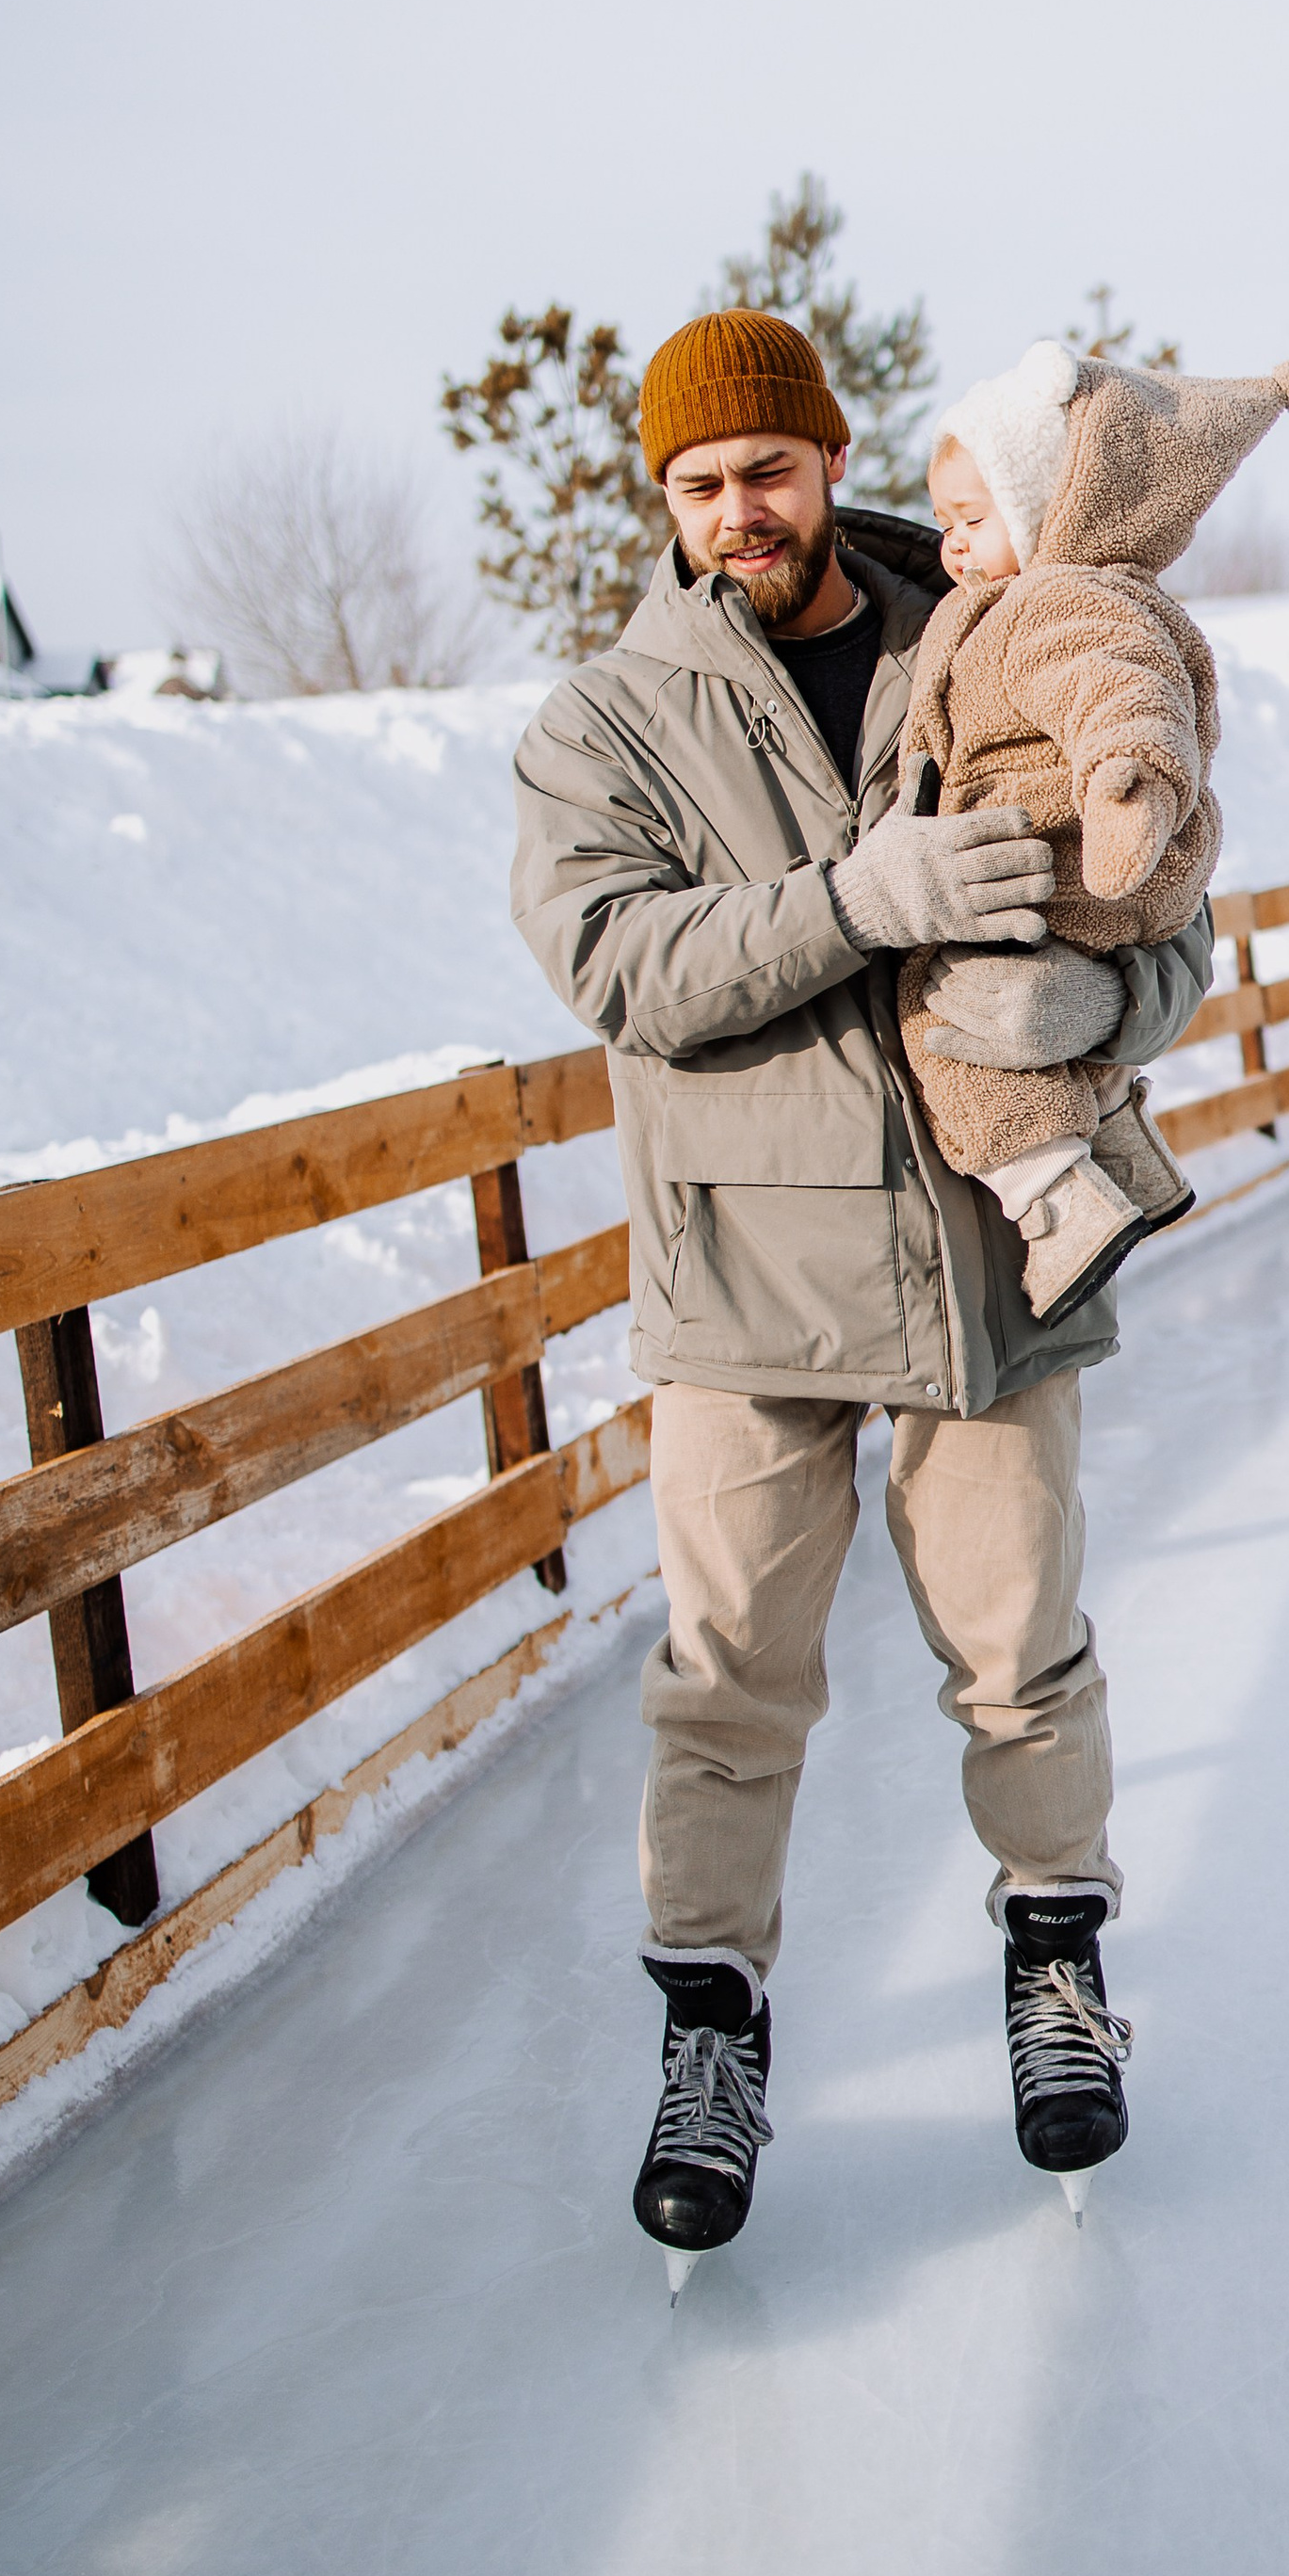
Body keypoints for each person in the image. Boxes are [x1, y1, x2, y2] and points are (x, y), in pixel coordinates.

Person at [508, 307, 1215, 2283]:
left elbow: (1172, 908)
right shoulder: (605, 724)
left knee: (1019, 1652)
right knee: (727, 1683)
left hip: (989, 1264)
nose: (739, 509)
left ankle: (1058, 1966)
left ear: (828, 462)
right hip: (746, 1275)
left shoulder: (1000, 616)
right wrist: (859, 903)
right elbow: (624, 967)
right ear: (665, 503)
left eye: (768, 468)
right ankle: (707, 2040)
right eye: (698, 483)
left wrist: (1109, 997)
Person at [905, 339, 1289, 1325]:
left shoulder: (1053, 604)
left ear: (1049, 511)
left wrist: (1128, 783)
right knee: (1049, 1040)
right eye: (943, 523)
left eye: (972, 519)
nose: (951, 547)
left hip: (1062, 866)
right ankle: (1127, 1155)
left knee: (940, 1022)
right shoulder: (1032, 600)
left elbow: (1118, 692)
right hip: (1074, 874)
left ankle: (1058, 1204)